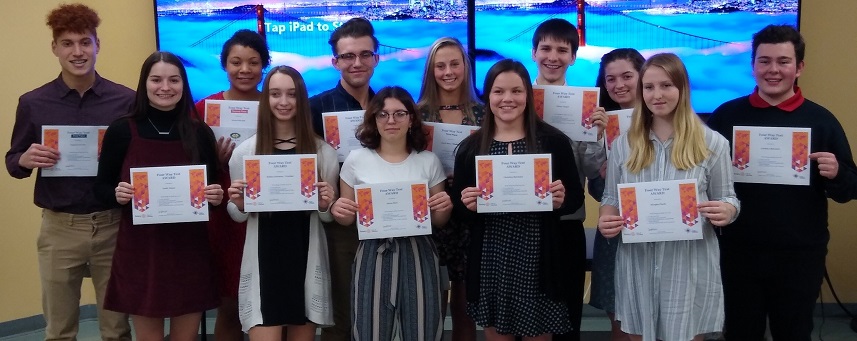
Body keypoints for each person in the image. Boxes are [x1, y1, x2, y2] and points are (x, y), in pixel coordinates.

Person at [706, 25, 857, 340]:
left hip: (799, 253)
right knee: (740, 332)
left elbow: (850, 188)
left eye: (783, 61)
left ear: (799, 67)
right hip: (737, 250)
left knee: (794, 332)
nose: (773, 70)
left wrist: (838, 173)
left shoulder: (821, 120)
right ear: (753, 65)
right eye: (764, 61)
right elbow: (700, 176)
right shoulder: (726, 116)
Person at [5, 4, 134, 341]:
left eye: (85, 42)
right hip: (59, 229)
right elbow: (13, 160)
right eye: (67, 43)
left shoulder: (126, 101)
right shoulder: (33, 103)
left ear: (97, 44)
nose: (78, 52)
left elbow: (138, 159)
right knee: (59, 331)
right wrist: (24, 159)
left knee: (117, 329)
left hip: (113, 226)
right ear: (54, 48)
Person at [597, 53, 740, 341]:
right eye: (649, 87)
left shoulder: (713, 143)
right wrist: (605, 218)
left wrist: (727, 210)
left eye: (666, 86)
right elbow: (610, 197)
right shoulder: (624, 145)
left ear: (682, 89)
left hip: (688, 265)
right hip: (637, 263)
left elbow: (729, 197)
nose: (657, 94)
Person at [94, 51, 223, 341]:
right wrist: (118, 194)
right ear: (145, 84)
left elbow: (212, 191)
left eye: (173, 80)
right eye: (156, 80)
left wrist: (216, 196)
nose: (165, 87)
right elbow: (100, 189)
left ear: (183, 84)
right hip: (142, 251)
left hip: (189, 250)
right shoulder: (121, 130)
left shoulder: (200, 132)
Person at [453, 59, 585, 340]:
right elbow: (459, 210)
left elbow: (576, 196)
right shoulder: (470, 148)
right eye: (498, 91)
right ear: (487, 96)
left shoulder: (553, 142)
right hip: (491, 257)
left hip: (540, 257)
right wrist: (467, 204)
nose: (507, 99)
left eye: (516, 91)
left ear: (528, 94)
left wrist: (562, 200)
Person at [226, 65, 339, 341]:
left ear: (302, 99)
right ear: (266, 100)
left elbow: (327, 217)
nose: (284, 102)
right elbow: (237, 215)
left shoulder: (322, 152)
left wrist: (326, 204)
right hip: (265, 262)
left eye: (292, 94)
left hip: (304, 258)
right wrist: (238, 203)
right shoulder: (245, 153)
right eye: (275, 94)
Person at [330, 86, 453, 341]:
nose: (391, 120)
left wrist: (444, 207)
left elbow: (439, 222)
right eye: (383, 114)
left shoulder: (428, 160)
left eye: (399, 113)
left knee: (424, 331)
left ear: (411, 119)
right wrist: (338, 209)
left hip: (419, 252)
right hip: (372, 252)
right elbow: (347, 219)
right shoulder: (356, 159)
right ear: (373, 120)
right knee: (369, 331)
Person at [529, 18, 607, 341]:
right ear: (533, 53)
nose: (553, 56)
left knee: (566, 321)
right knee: (523, 321)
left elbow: (591, 172)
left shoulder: (585, 105)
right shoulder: (513, 99)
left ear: (573, 57)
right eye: (545, 48)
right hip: (520, 224)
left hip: (566, 224)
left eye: (562, 50)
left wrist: (596, 138)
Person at [194, 29, 271, 341]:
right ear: (224, 64)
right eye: (236, 62)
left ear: (264, 65)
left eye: (253, 62)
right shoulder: (203, 110)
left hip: (270, 214)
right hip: (224, 217)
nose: (244, 69)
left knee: (271, 302)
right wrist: (212, 159)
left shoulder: (278, 105)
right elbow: (186, 166)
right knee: (230, 304)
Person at [308, 17, 379, 341]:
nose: (357, 63)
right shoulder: (315, 108)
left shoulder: (390, 107)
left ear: (377, 58)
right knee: (340, 317)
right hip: (339, 228)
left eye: (365, 54)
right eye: (348, 56)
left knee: (379, 314)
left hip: (389, 222)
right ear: (334, 61)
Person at [416, 36, 484, 341]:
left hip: (472, 213)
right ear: (430, 70)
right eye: (440, 65)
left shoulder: (486, 112)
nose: (448, 71)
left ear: (466, 67)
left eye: (455, 63)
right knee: (431, 301)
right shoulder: (415, 115)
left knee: (465, 300)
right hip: (431, 213)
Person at [589, 47, 644, 341]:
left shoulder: (673, 119)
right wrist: (603, 169)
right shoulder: (600, 122)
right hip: (616, 234)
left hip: (660, 231)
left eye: (627, 76)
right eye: (611, 79)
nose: (618, 85)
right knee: (620, 322)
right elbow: (597, 191)